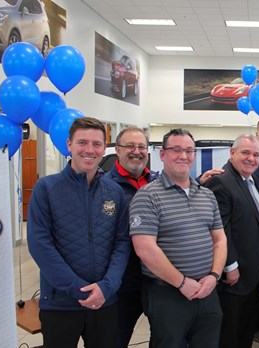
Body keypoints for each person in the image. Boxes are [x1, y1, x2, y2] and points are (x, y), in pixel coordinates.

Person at [27, 117, 130, 348]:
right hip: (60, 303)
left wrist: (107, 286)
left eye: (96, 144)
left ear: (104, 148)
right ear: (69, 145)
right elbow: (40, 244)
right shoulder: (47, 188)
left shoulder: (114, 192)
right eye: (82, 142)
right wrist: (77, 288)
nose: (89, 150)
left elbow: (122, 243)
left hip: (105, 302)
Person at [130, 128, 227, 348]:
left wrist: (214, 276)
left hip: (207, 290)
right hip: (167, 294)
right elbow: (144, 248)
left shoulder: (206, 194)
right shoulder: (147, 195)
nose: (183, 156)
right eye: (176, 150)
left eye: (189, 150)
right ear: (162, 154)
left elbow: (220, 240)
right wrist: (182, 283)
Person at [204, 134, 259, 348]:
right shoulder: (221, 181)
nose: (251, 159)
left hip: (253, 276)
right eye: (245, 153)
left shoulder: (250, 179)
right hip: (234, 278)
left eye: (255, 155)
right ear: (232, 153)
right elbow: (219, 228)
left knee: (245, 333)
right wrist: (230, 265)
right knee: (230, 336)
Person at [104, 127, 158, 348]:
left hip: (157, 279)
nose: (137, 151)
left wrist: (199, 183)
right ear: (117, 150)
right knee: (115, 340)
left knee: (165, 338)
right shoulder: (103, 186)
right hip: (121, 283)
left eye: (142, 147)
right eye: (130, 146)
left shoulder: (159, 183)